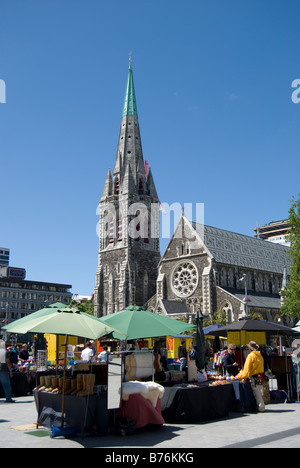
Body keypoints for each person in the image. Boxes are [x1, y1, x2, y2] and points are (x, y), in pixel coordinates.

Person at [236, 341, 266, 412]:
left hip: (254, 377)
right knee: (259, 391)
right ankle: (260, 406)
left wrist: (244, 377)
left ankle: (261, 407)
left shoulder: (250, 356)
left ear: (250, 349)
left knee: (257, 393)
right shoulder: (259, 355)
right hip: (260, 376)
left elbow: (247, 368)